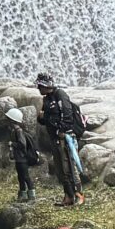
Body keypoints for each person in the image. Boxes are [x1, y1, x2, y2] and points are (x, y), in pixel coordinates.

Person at [34, 75, 86, 206]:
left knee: (69, 166)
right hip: (54, 138)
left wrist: (63, 131)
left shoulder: (60, 94)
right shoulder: (46, 99)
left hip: (65, 138)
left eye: (40, 86)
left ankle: (79, 195)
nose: (38, 88)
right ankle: (68, 196)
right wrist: (41, 117)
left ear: (47, 85)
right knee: (60, 168)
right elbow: (44, 119)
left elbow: (67, 113)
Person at [5, 104, 40, 204]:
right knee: (20, 177)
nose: (8, 121)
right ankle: (22, 195)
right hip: (18, 158)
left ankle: (32, 196)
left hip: (22, 159)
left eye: (9, 119)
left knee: (25, 176)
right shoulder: (14, 131)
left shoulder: (18, 131)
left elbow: (22, 144)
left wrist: (12, 144)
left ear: (13, 120)